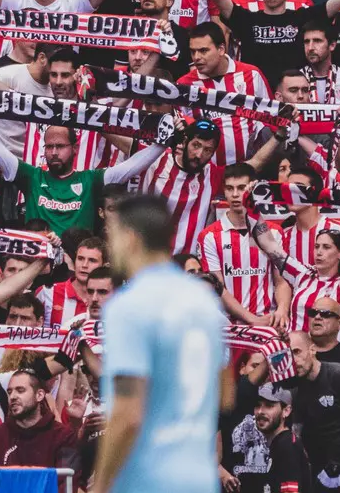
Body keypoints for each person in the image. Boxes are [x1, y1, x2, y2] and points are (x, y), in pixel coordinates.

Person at [90, 194, 232, 493]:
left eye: (113, 237)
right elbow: (226, 395)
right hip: (198, 480)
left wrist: (100, 486)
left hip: (146, 479)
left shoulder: (129, 306)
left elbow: (128, 414)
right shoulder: (204, 302)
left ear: (130, 238)